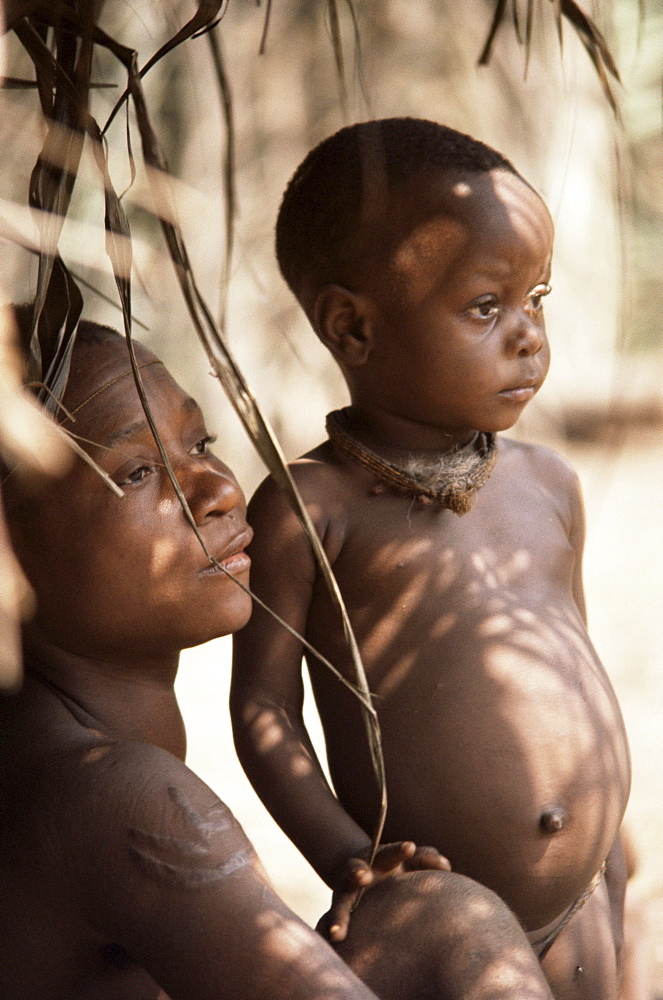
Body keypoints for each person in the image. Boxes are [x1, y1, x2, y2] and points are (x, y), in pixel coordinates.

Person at [0, 320, 556, 1000]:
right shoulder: (120, 796)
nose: (220, 491)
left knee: (435, 918)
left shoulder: (40, 742)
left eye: (199, 443)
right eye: (138, 472)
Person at [230, 118, 632, 1000]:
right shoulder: (312, 510)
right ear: (352, 328)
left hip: (592, 896)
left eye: (538, 298)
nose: (528, 335)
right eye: (487, 307)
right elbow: (264, 711)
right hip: (452, 923)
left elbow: (571, 660)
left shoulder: (548, 483)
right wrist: (347, 856)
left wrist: (616, 840)